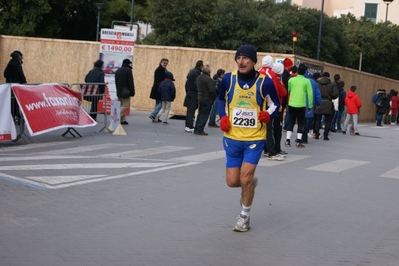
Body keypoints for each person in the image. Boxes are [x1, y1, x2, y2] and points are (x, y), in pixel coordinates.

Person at [218, 44, 279, 232]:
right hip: (232, 137)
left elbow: (276, 104)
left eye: (245, 58)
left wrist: (268, 115)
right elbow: (221, 99)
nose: (241, 61)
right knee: (233, 182)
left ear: (254, 61)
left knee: (244, 180)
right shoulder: (228, 79)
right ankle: (251, 184)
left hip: (254, 138)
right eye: (239, 58)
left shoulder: (265, 82)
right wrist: (223, 117)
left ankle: (244, 216)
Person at [258, 57, 287, 161]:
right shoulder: (272, 74)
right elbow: (274, 90)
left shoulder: (257, 71)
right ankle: (270, 150)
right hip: (267, 104)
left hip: (256, 103)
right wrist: (276, 105)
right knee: (268, 127)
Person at [285, 63, 313, 148]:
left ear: (297, 71)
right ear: (304, 72)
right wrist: (310, 106)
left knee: (291, 121)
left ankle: (287, 140)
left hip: (292, 104)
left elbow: (288, 91)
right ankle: (298, 141)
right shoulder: (307, 81)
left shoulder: (291, 80)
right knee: (301, 123)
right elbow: (310, 94)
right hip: (301, 105)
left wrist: (287, 103)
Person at [313, 72, 339, 140]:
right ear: (328, 76)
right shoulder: (332, 85)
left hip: (319, 103)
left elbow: (314, 93)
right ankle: (325, 135)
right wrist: (331, 97)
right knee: (328, 121)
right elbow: (336, 94)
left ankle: (316, 134)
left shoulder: (317, 84)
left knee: (317, 120)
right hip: (328, 103)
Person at [4, 51, 27, 123]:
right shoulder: (17, 65)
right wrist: (24, 82)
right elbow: (21, 76)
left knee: (11, 101)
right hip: (17, 86)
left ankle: (12, 116)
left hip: (9, 85)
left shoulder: (9, 65)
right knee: (17, 101)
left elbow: (5, 74)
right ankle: (18, 117)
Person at [194, 65, 216, 135]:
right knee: (205, 114)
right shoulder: (208, 79)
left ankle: (196, 128)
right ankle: (200, 129)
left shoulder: (199, 77)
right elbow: (212, 90)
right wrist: (214, 97)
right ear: (209, 71)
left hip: (200, 97)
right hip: (207, 98)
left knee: (200, 114)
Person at [301, 72, 322, 144]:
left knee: (300, 121)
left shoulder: (298, 80)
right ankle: (304, 138)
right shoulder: (313, 83)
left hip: (298, 103)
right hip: (309, 105)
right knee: (305, 121)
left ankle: (299, 137)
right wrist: (318, 103)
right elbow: (317, 94)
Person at [184, 60, 203, 133]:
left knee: (190, 109)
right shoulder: (196, 72)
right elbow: (197, 83)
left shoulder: (192, 71)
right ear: (201, 66)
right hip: (193, 93)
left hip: (190, 92)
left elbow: (187, 83)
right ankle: (189, 126)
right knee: (191, 110)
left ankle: (188, 125)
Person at [115, 59, 135, 125]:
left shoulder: (118, 71)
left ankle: (123, 120)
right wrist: (132, 91)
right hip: (126, 91)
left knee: (121, 104)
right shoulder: (128, 71)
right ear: (127, 64)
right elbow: (130, 82)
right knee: (125, 105)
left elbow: (116, 82)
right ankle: (117, 117)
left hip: (119, 91)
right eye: (129, 63)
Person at [149, 58, 168, 123]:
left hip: (158, 88)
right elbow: (159, 80)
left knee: (158, 103)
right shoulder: (159, 70)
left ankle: (155, 117)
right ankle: (153, 114)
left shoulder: (162, 69)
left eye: (166, 63)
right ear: (161, 63)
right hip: (159, 88)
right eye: (164, 63)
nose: (165, 64)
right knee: (161, 103)